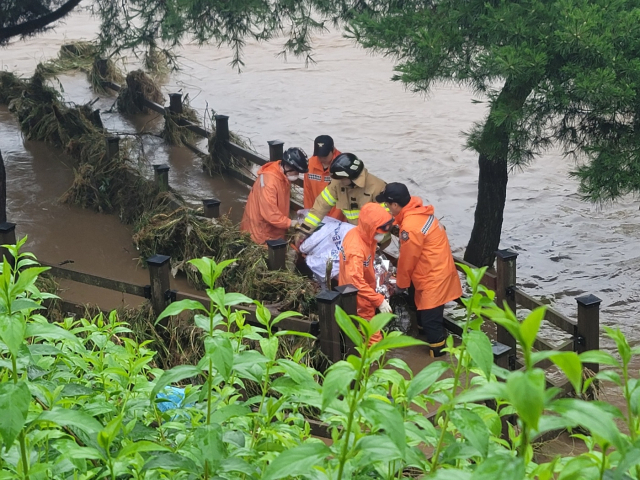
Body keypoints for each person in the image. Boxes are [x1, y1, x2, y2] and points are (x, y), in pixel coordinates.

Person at [376, 182, 462, 357]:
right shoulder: (419, 214)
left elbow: (407, 260)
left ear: (395, 205)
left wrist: (401, 283)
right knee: (425, 314)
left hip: (433, 277)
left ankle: (438, 356)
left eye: (387, 204)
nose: (386, 208)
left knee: (432, 321)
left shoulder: (410, 227)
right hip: (436, 271)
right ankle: (427, 340)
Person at [338, 202, 394, 344]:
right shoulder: (356, 249)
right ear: (371, 228)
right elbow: (354, 280)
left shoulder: (364, 237)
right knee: (373, 337)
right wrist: (377, 299)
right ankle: (374, 363)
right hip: (358, 297)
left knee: (363, 331)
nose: (383, 235)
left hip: (363, 291)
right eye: (381, 231)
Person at [297, 153, 386, 242]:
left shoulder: (377, 187)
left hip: (376, 236)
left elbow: (385, 219)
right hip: (353, 233)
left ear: (351, 176)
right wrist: (304, 231)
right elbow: (320, 207)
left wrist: (371, 239)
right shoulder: (338, 184)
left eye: (342, 179)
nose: (339, 181)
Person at [240, 147, 308, 245]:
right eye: (296, 171)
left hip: (272, 228)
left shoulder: (282, 176)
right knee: (271, 258)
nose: (297, 175)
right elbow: (270, 213)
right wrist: (290, 223)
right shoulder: (270, 182)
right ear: (288, 167)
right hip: (261, 234)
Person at [303, 135, 344, 220]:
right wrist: (309, 215)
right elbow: (308, 193)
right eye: (319, 156)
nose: (322, 159)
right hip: (316, 215)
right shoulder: (310, 164)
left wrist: (332, 220)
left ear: (333, 150)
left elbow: (342, 198)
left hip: (337, 218)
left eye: (325, 156)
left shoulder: (342, 166)